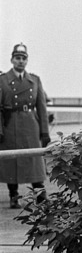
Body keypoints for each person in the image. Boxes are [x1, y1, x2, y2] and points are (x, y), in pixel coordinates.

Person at [0, 44, 51, 208]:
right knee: (11, 160)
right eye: (17, 58)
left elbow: (42, 108)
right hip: (10, 124)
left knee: (34, 159)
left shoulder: (34, 80)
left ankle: (40, 193)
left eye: (23, 58)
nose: (20, 61)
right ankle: (13, 195)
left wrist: (44, 132)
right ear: (12, 60)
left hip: (30, 124)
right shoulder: (2, 80)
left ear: (27, 60)